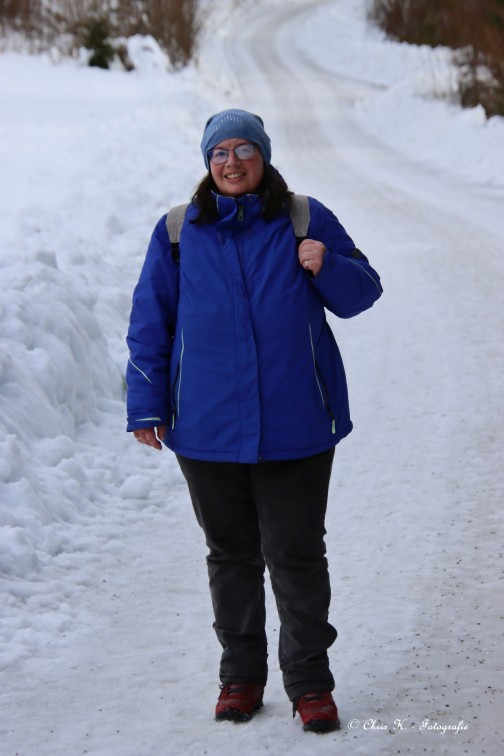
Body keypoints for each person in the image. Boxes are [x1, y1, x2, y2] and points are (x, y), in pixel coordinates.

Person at [126, 108, 382, 733]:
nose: (232, 162)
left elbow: (363, 293)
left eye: (244, 149)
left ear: (263, 156)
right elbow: (150, 320)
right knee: (231, 557)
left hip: (297, 423)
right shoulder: (179, 231)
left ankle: (310, 685)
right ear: (207, 162)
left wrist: (328, 265)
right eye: (220, 152)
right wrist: (146, 404)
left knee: (296, 556)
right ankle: (240, 678)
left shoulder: (303, 217)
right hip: (206, 428)